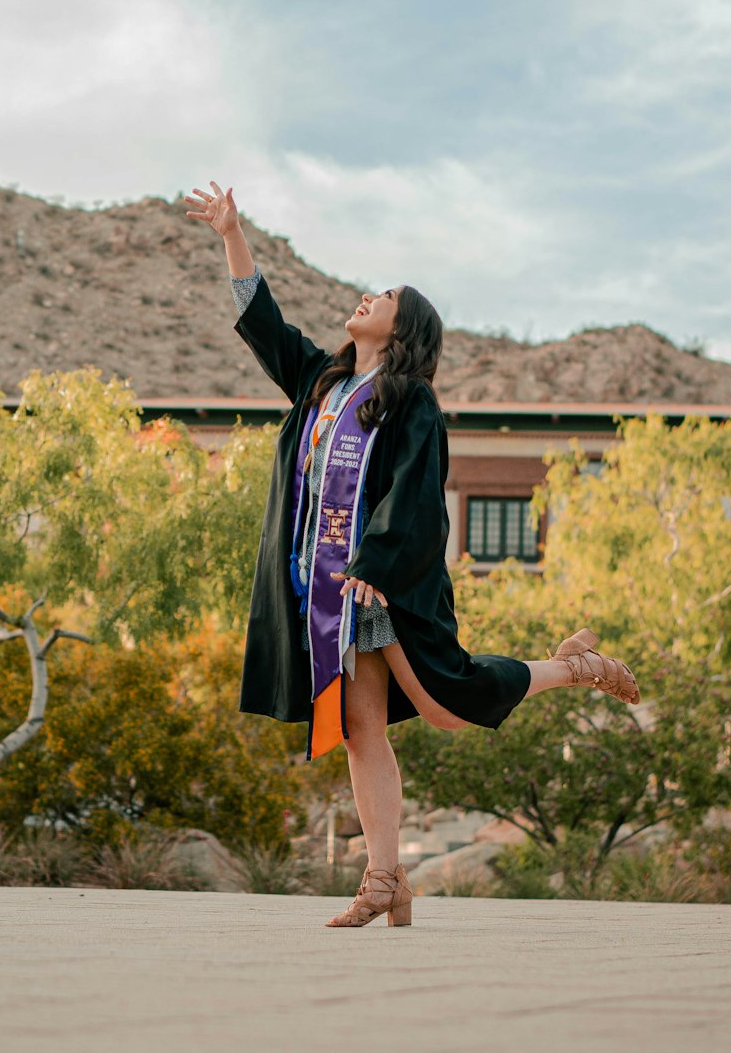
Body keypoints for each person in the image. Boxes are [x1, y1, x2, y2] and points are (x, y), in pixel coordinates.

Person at [185, 181, 640, 929]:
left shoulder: (410, 401)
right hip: (326, 596)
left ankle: (573, 667)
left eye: (384, 293)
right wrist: (232, 234)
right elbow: (264, 323)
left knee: (446, 702)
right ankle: (384, 877)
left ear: (405, 326)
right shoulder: (322, 383)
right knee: (364, 730)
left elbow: (417, 493)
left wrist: (377, 565)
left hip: (383, 586)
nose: (367, 296)